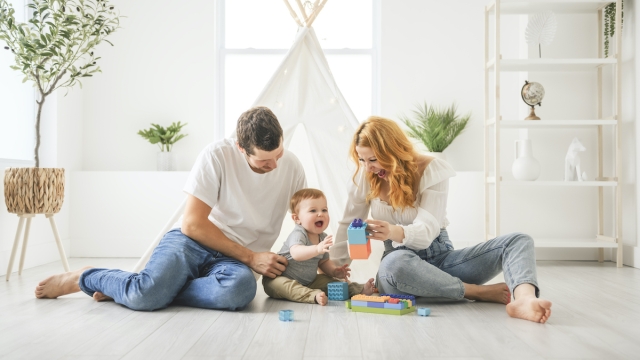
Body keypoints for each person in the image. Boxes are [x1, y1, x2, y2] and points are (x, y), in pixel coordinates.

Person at [34, 106, 307, 311]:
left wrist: (321, 258)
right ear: (240, 148)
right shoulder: (216, 155)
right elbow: (192, 224)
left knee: (240, 291)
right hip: (192, 242)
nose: (274, 166)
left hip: (231, 262)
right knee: (145, 298)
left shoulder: (292, 166)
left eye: (278, 155)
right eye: (264, 161)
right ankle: (87, 277)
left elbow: (302, 222)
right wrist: (250, 257)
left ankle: (143, 287)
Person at [331, 116, 552, 323]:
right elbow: (348, 222)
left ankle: (524, 299)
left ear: (393, 150)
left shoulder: (431, 169)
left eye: (373, 159)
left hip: (442, 261)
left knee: (518, 240)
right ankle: (474, 291)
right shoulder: (366, 176)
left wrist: (393, 231)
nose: (368, 167)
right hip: (401, 269)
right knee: (394, 264)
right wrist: (334, 269)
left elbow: (427, 231)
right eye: (362, 159)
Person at [263, 188, 375, 305]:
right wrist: (317, 249)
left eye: (324, 210)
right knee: (285, 286)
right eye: (313, 210)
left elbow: (323, 262)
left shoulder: (322, 237)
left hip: (309, 281)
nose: (320, 213)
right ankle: (313, 296)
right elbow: (296, 253)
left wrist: (334, 271)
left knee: (331, 282)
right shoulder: (299, 233)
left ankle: (358, 290)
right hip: (279, 278)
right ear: (297, 219)